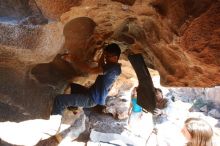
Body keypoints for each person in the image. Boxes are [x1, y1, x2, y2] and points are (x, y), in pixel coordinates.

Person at [51, 43, 122, 115]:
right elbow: (101, 65)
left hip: (91, 99)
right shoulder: (115, 67)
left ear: (115, 57)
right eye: (105, 56)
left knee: (59, 100)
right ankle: (73, 108)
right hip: (91, 94)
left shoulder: (112, 68)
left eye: (108, 56)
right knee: (74, 86)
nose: (106, 58)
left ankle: (54, 121)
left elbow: (90, 70)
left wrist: (73, 59)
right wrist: (103, 53)